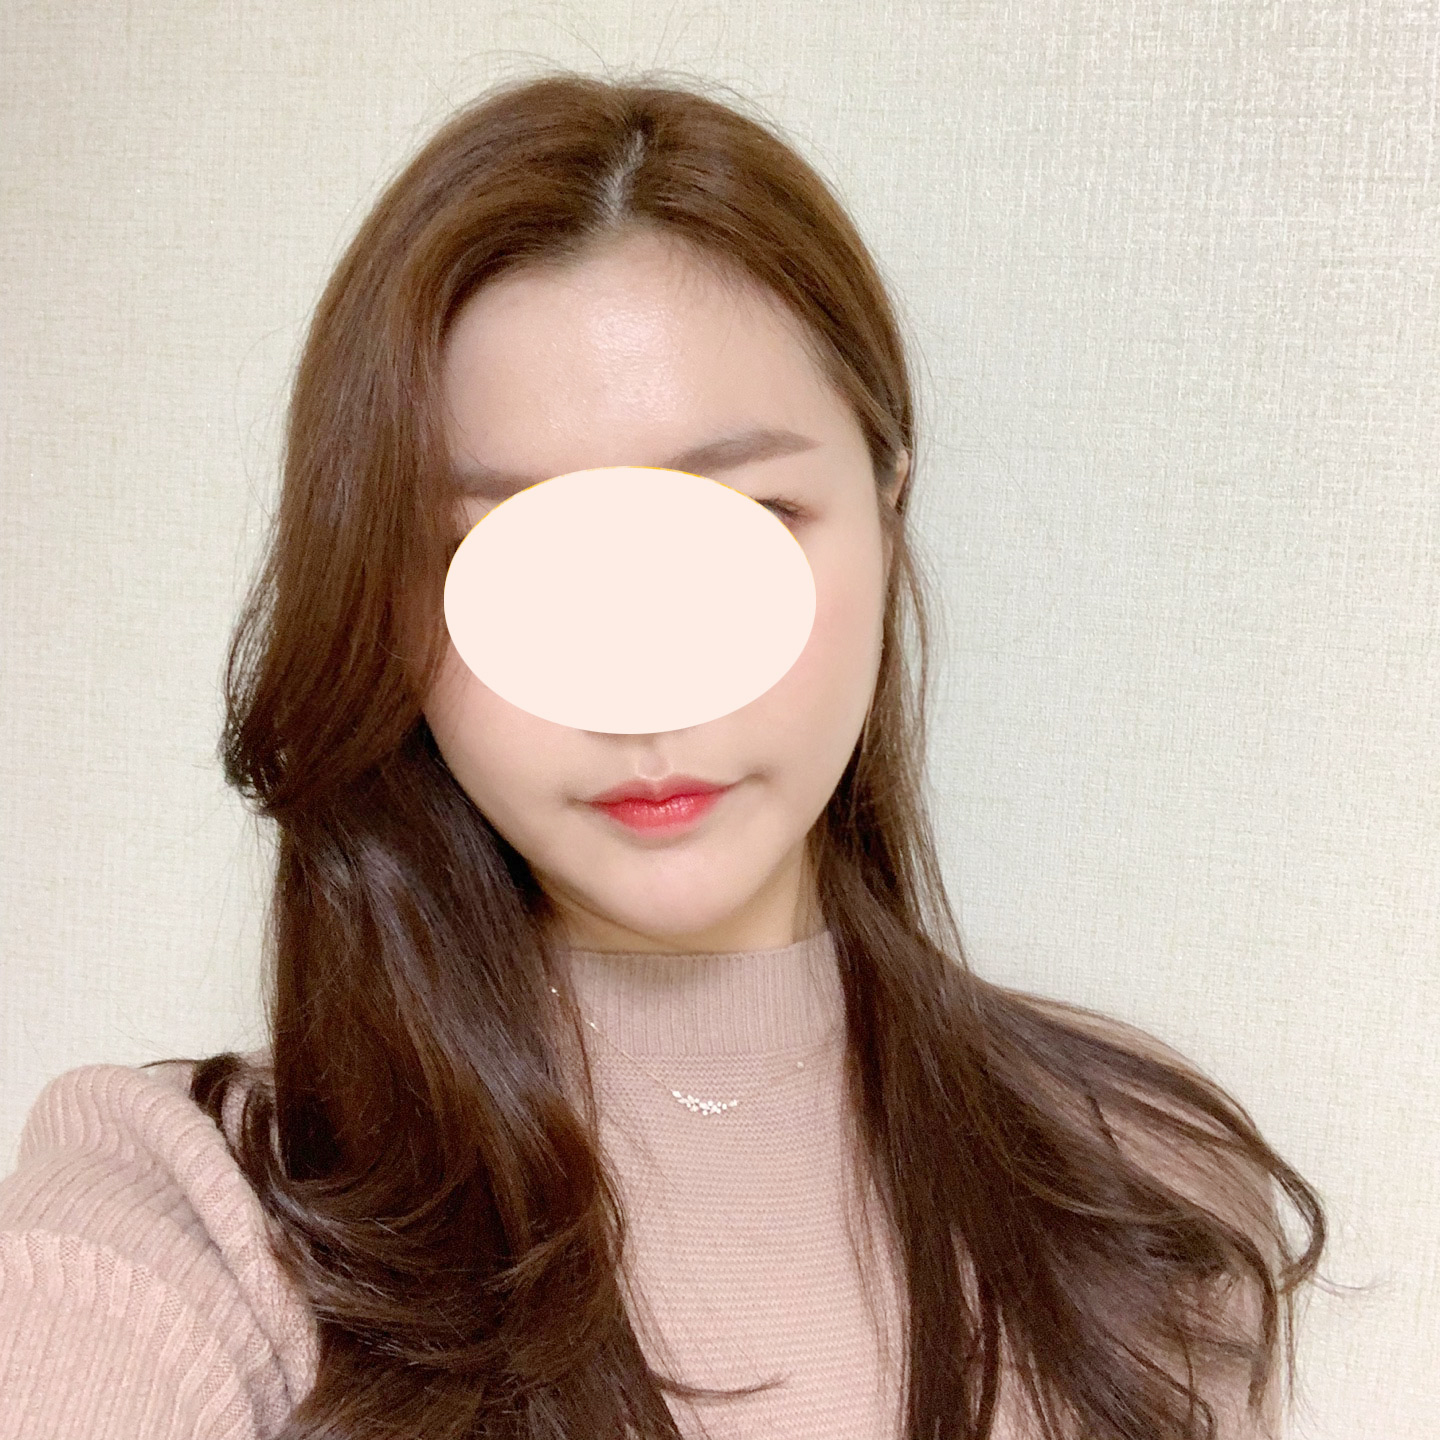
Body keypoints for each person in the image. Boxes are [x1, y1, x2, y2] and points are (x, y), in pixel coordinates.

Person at [0, 69, 1327, 1440]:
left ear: (886, 507)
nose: (640, 686)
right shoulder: (192, 1218)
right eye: (505, 556)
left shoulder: (1135, 1206)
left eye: (740, 522)